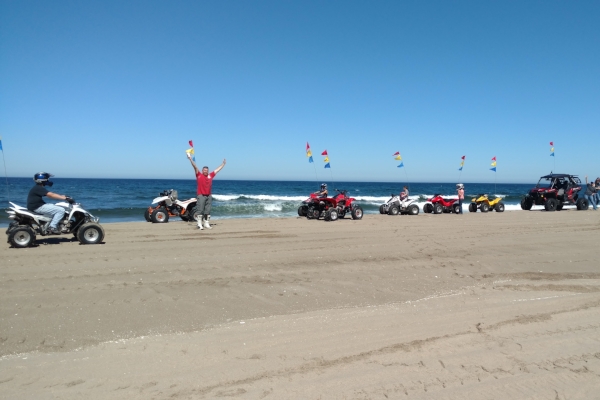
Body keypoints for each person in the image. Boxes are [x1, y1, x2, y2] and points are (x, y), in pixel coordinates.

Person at [187, 154, 226, 229]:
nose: (205, 171)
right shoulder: (199, 175)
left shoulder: (210, 175)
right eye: (204, 170)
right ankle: (199, 224)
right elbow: (194, 167)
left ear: (208, 171)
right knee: (200, 210)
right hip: (201, 195)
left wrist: (223, 164)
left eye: (207, 170)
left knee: (207, 210)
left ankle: (206, 223)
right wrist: (190, 159)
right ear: (202, 171)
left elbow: (217, 170)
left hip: (209, 195)